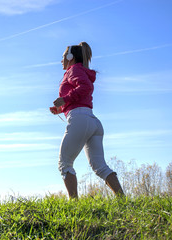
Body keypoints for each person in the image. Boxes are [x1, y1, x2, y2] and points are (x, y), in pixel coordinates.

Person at [50, 42, 124, 199]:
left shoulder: (74, 70)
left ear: (70, 57)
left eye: (63, 56)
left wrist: (65, 99)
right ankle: (122, 200)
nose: (61, 60)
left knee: (65, 163)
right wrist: (60, 108)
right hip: (92, 121)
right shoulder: (77, 70)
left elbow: (85, 87)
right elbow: (81, 95)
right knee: (100, 167)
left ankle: (74, 204)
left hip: (80, 119)